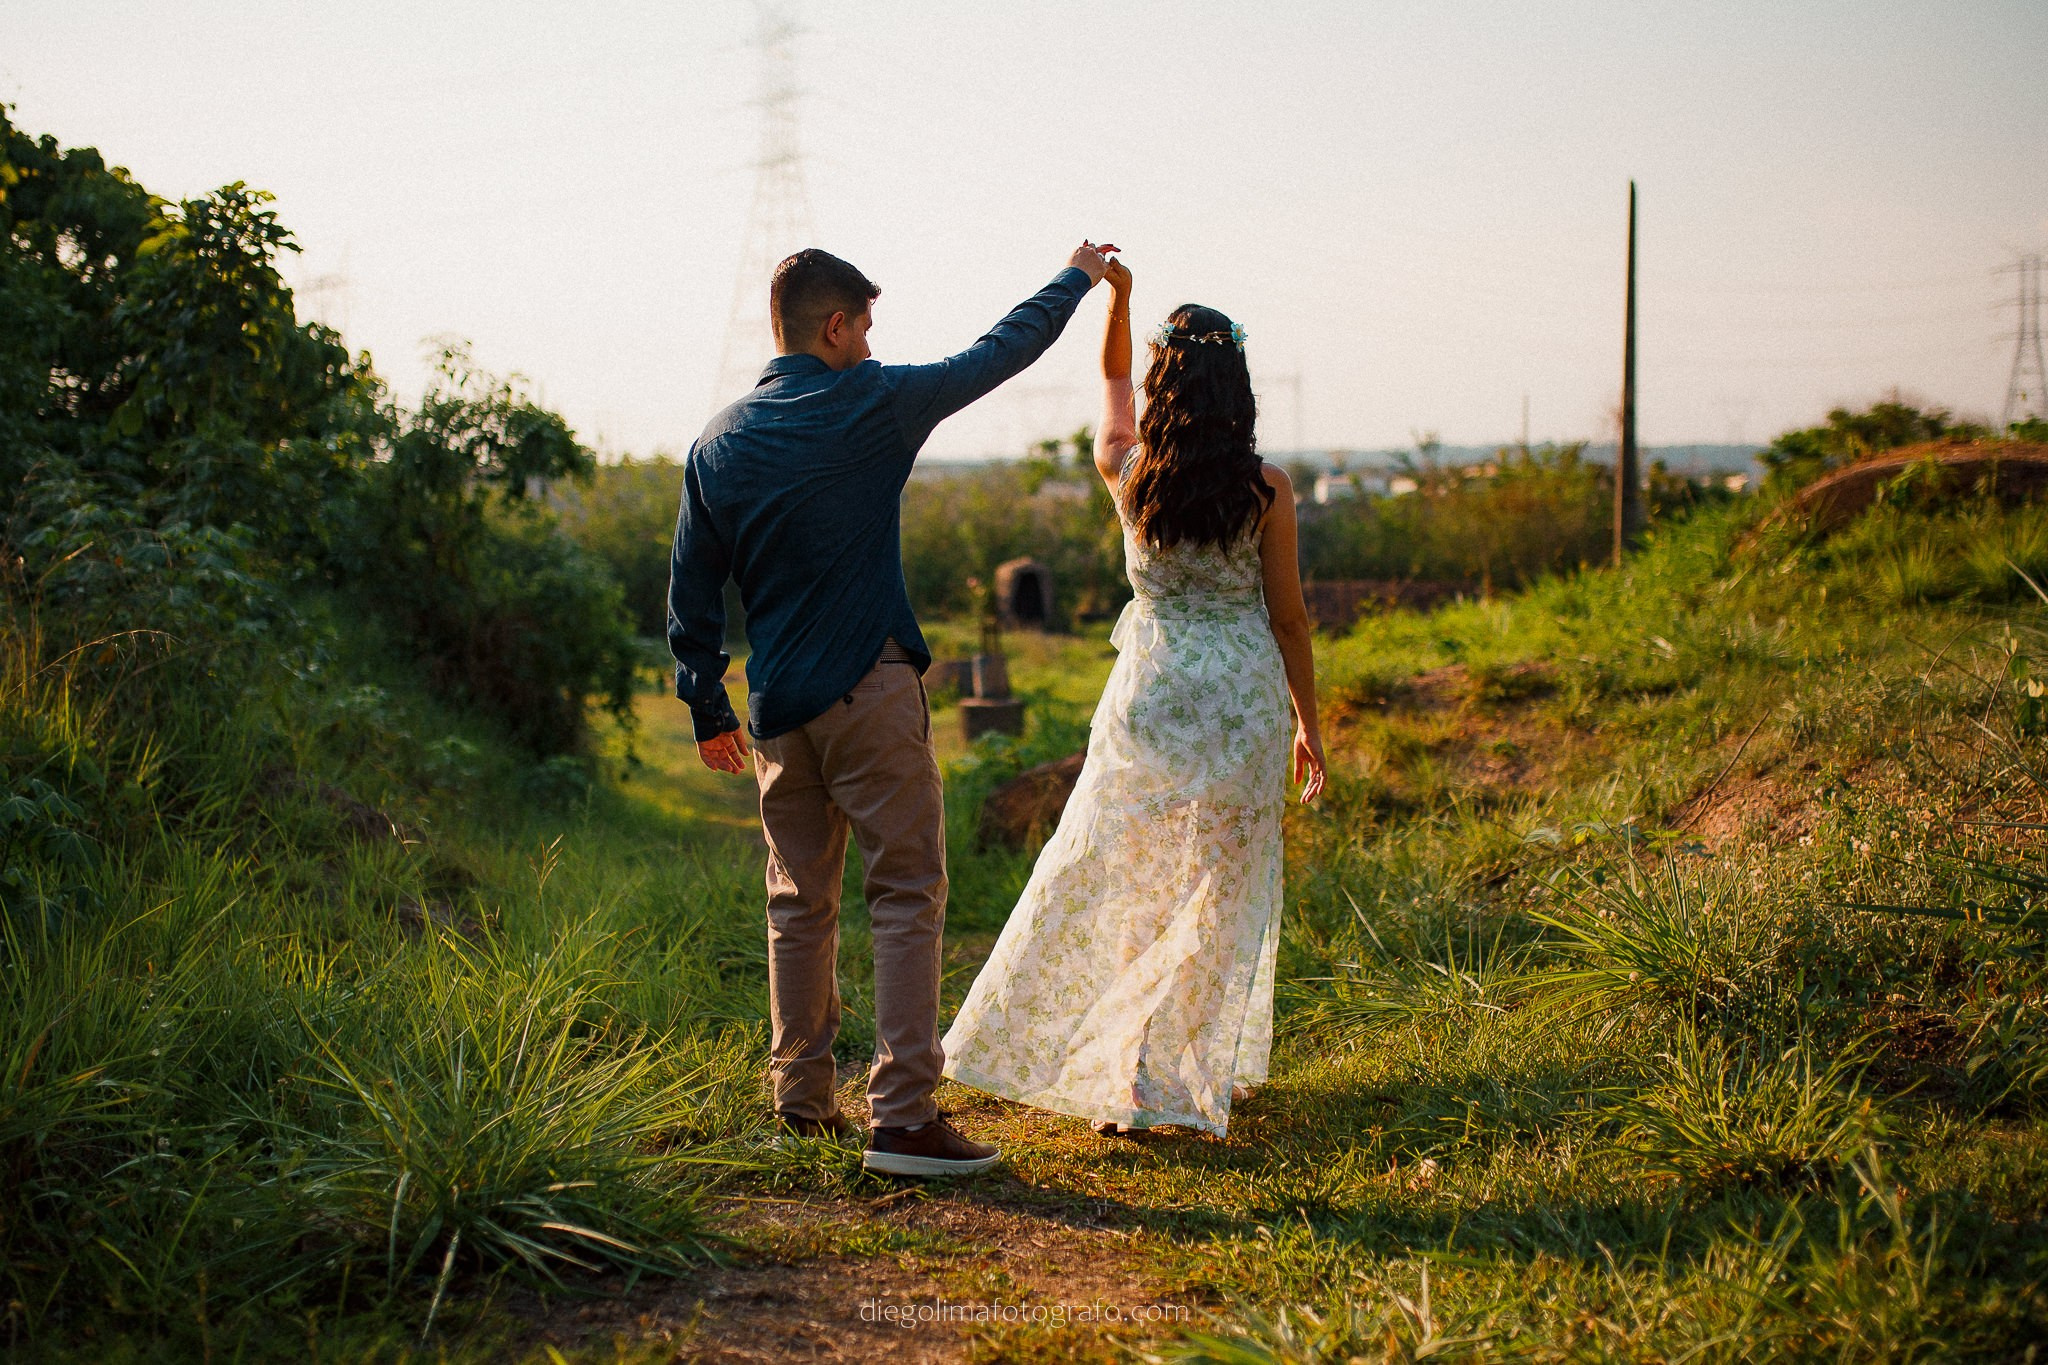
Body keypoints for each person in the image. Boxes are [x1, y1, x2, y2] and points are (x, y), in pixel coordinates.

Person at [668, 241, 1114, 1177]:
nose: (871, 345)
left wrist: (707, 702)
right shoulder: (873, 403)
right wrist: (1075, 276)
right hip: (869, 691)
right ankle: (903, 1117)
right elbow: (1000, 351)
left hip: (778, 711)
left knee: (798, 904)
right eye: (864, 326)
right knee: (906, 892)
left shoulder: (716, 440)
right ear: (834, 325)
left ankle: (801, 1101)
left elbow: (692, 595)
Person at [939, 257, 1326, 1139]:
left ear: (1166, 381)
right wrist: (1309, 723)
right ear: (1239, 387)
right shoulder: (1268, 491)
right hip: (1242, 703)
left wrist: (1117, 300)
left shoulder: (1129, 468)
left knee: (1137, 883)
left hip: (1151, 701)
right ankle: (1179, 1075)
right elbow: (1292, 618)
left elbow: (1112, 377)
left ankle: (1129, 1079)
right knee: (1217, 892)